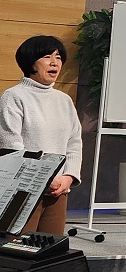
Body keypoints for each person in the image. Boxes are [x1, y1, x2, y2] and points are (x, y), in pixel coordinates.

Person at [0, 36, 82, 235]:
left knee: (51, 247)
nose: (55, 62)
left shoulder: (64, 100)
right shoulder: (14, 96)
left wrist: (69, 177)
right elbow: (11, 144)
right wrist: (44, 178)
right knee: (17, 247)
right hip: (22, 191)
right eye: (47, 57)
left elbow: (74, 141)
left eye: (58, 57)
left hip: (58, 190)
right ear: (31, 63)